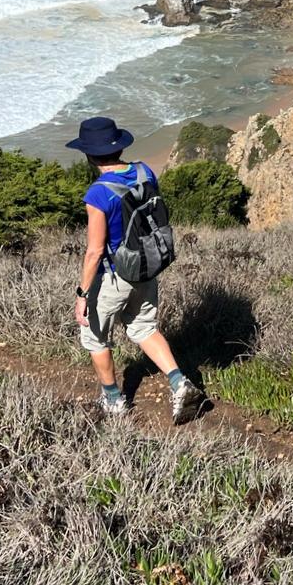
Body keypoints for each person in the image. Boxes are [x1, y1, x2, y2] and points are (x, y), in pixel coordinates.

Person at [68, 116, 205, 425]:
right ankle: (179, 383)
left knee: (95, 337)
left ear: (89, 155)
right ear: (118, 147)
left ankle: (114, 401)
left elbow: (93, 252)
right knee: (143, 327)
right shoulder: (145, 171)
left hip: (114, 275)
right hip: (146, 265)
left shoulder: (98, 194)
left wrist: (82, 294)